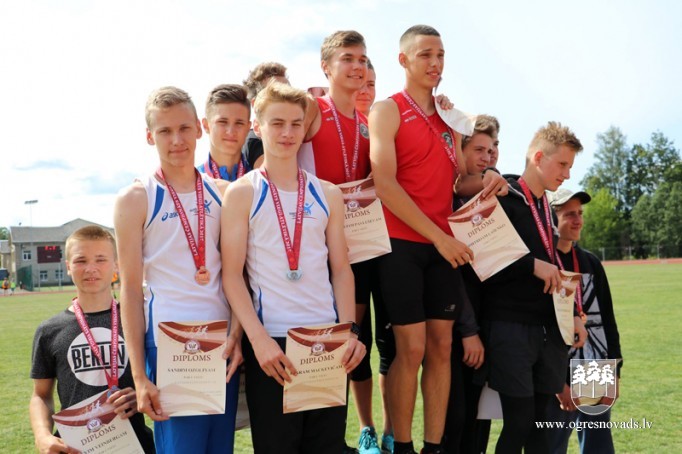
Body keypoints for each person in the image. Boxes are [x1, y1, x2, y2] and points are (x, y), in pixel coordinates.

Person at [369, 25, 506, 454]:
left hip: (443, 248)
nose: (435, 63)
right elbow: (385, 184)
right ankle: (402, 446)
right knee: (410, 349)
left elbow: (457, 182)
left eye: (441, 55)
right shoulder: (386, 110)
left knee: (442, 347)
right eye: (425, 54)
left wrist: (489, 179)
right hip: (402, 247)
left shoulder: (452, 118)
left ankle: (433, 447)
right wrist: (439, 237)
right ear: (403, 60)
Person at [221, 81, 366, 453]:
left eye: (296, 124)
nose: (287, 133)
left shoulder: (327, 193)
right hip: (274, 345)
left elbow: (341, 270)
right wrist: (259, 340)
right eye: (277, 123)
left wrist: (348, 332)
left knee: (327, 448)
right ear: (258, 127)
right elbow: (232, 276)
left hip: (327, 342)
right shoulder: (243, 192)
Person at [114, 86, 241, 454]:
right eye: (165, 131)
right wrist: (139, 376)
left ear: (199, 128)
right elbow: (130, 290)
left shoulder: (225, 193)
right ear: (149, 136)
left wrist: (236, 334)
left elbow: (238, 274)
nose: (177, 140)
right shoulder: (136, 198)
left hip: (220, 345)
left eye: (184, 128)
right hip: (169, 345)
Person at [475, 121, 588, 453]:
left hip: (546, 330)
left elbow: (552, 266)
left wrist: (573, 313)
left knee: (540, 427)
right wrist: (531, 265)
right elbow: (483, 258)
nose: (567, 174)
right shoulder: (505, 196)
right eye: (562, 164)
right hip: (510, 328)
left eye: (570, 166)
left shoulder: (544, 207)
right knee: (519, 423)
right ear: (539, 157)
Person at [29, 225, 155, 454]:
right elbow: (41, 395)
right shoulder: (49, 330)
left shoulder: (140, 320)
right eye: (81, 261)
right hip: (75, 447)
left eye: (100, 259)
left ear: (116, 265)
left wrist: (140, 394)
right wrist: (42, 435)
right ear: (68, 266)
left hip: (135, 444)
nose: (91, 268)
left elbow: (162, 381)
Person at [545, 188, 623, 454]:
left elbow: (608, 320)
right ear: (551, 220)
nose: (578, 220)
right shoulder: (544, 264)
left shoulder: (590, 263)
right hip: (556, 369)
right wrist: (558, 382)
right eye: (569, 215)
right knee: (551, 444)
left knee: (598, 445)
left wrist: (615, 369)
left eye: (580, 213)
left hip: (594, 364)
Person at [444, 115, 499, 454]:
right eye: (478, 149)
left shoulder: (493, 198)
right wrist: (468, 331)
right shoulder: (446, 202)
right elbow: (454, 275)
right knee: (456, 418)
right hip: (455, 330)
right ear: (458, 150)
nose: (486, 157)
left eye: (491, 150)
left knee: (481, 420)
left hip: (488, 327)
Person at [198, 84, 252, 181]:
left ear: (248, 128)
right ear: (206, 125)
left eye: (239, 123)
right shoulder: (191, 183)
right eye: (222, 122)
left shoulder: (263, 182)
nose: (231, 132)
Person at [242, 62, 290, 170]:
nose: (287, 98)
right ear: (256, 104)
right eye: (276, 94)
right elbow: (275, 178)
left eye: (289, 91)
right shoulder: (256, 141)